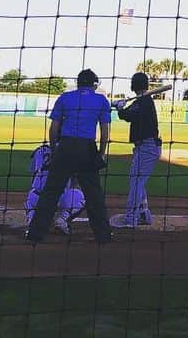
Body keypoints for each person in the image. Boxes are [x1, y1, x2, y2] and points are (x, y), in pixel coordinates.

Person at [25, 69, 113, 245]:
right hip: (87, 148)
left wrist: (54, 150)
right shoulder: (101, 100)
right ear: (93, 84)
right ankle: (103, 235)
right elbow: (105, 132)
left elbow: (53, 128)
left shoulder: (65, 98)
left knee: (51, 192)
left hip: (65, 146)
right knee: (93, 194)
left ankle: (35, 233)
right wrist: (101, 154)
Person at [111, 71, 161, 228]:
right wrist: (120, 107)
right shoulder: (143, 100)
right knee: (137, 181)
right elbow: (128, 113)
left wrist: (120, 108)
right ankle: (143, 214)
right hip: (145, 147)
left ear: (134, 85)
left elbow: (127, 115)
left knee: (136, 183)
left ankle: (131, 218)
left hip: (147, 147)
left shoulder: (144, 101)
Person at [24, 143, 85, 235]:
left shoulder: (39, 151)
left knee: (32, 194)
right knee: (81, 195)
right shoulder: (71, 151)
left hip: (36, 198)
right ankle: (62, 219)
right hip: (59, 197)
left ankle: (31, 219)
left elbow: (34, 176)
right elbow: (76, 180)